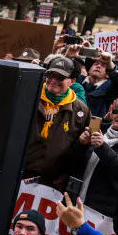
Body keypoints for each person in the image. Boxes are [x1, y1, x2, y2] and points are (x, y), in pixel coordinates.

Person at [25, 56, 90, 187]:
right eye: (50, 75)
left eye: (60, 77)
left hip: (51, 181)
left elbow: (79, 149)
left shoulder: (81, 110)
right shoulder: (28, 95)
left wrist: (66, 174)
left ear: (72, 81)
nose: (53, 81)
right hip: (18, 172)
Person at [72, 96, 118, 217]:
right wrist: (81, 143)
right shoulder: (99, 130)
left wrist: (102, 147)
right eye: (116, 111)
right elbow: (74, 162)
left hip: (103, 212)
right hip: (76, 200)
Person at [81, 52, 118, 119]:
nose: (98, 66)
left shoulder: (111, 88)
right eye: (96, 64)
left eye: (103, 65)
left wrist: (110, 64)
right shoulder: (77, 80)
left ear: (108, 74)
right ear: (89, 69)